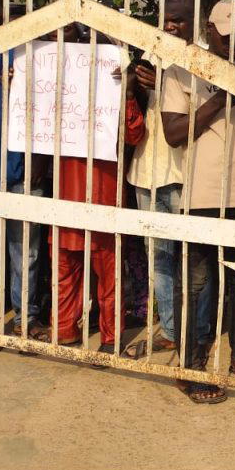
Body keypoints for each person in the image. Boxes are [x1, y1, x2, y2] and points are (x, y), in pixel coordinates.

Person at [160, 0, 235, 403]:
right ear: (209, 32)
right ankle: (191, 363)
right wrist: (221, 98)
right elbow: (174, 133)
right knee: (196, 283)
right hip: (199, 193)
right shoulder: (181, 68)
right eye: (228, 37)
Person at [54, 46, 146, 353]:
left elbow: (134, 135)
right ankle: (66, 328)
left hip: (103, 193)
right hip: (66, 191)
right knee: (66, 267)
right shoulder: (57, 84)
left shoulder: (118, 92)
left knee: (106, 271)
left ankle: (110, 337)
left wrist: (129, 93)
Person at [125, 0, 195, 353]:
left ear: (193, 23)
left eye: (179, 19)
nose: (170, 25)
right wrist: (134, 83)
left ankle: (196, 327)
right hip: (146, 169)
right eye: (166, 19)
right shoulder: (148, 54)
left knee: (190, 257)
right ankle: (170, 328)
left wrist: (166, 82)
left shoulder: (201, 59)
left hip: (186, 172)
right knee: (159, 256)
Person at [0, 0, 48, 349]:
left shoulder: (27, 52)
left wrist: (40, 159)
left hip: (22, 168)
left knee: (26, 254)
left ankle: (26, 318)